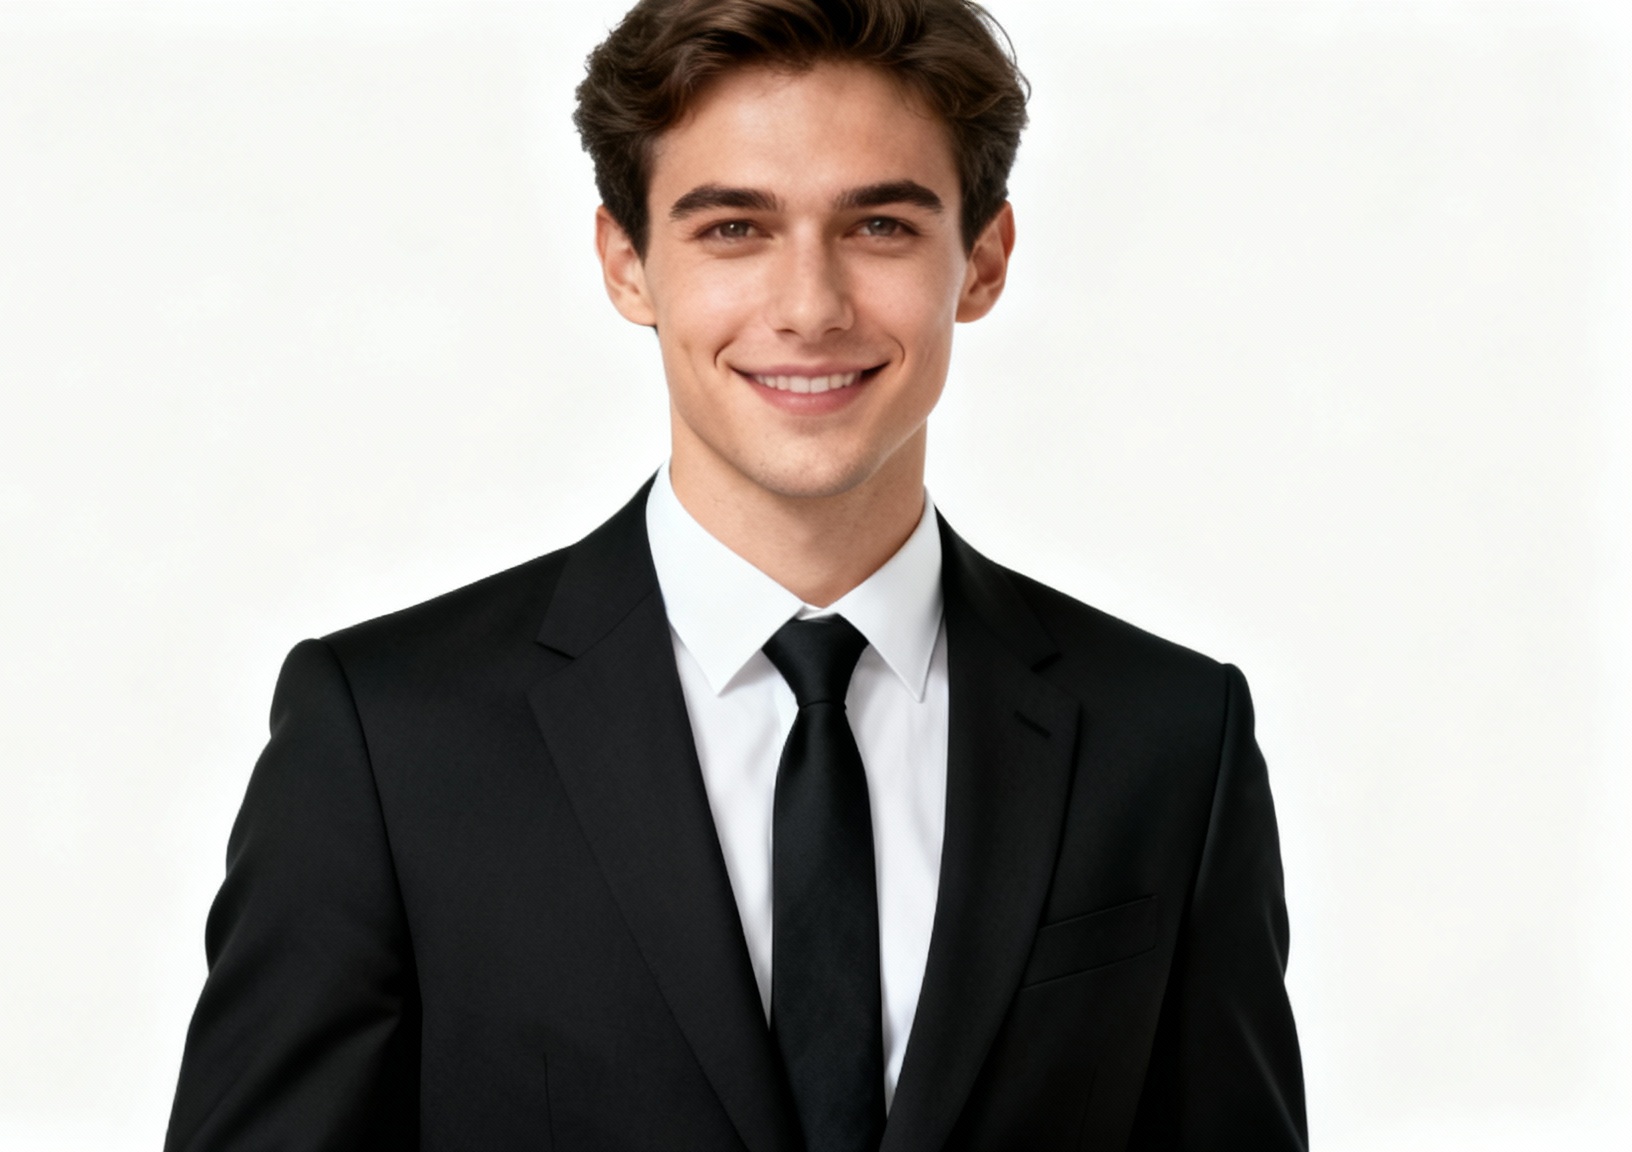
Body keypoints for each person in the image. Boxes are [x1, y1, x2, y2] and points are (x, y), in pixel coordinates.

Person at [163, 0, 1306, 1148]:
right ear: (627, 264)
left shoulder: (1166, 738)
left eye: (878, 228)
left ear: (983, 260)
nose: (808, 307)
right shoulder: (388, 738)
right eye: (732, 231)